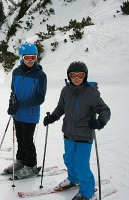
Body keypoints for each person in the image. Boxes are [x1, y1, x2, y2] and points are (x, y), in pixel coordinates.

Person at [43, 61, 111, 200]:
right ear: (69, 76)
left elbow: (104, 110)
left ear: (85, 76)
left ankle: (87, 192)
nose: (77, 79)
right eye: (73, 76)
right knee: (68, 160)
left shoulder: (91, 93)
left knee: (82, 166)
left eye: (80, 76)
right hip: (68, 134)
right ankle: (73, 180)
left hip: (84, 137)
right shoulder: (66, 90)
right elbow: (61, 107)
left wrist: (100, 122)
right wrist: (53, 117)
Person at [4, 43, 47, 178]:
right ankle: (21, 161)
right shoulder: (16, 72)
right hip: (17, 113)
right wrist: (12, 104)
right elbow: (13, 91)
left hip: (30, 114)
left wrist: (20, 104)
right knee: (20, 139)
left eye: (33, 57)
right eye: (27, 57)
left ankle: (31, 165)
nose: (30, 60)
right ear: (21, 58)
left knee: (27, 141)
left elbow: (40, 98)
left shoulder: (40, 75)